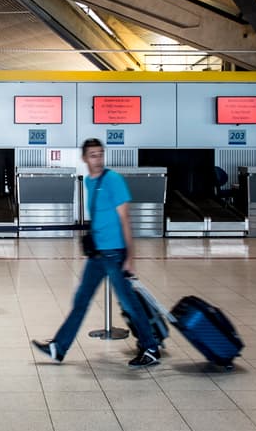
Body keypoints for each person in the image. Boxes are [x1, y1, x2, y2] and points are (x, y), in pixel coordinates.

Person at [32, 138, 161, 367]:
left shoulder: (113, 180)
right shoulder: (89, 182)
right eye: (93, 155)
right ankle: (58, 348)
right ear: (84, 158)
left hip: (115, 253)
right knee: (81, 300)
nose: (98, 159)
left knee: (129, 303)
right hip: (98, 256)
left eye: (100, 154)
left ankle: (151, 348)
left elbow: (125, 218)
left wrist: (130, 257)